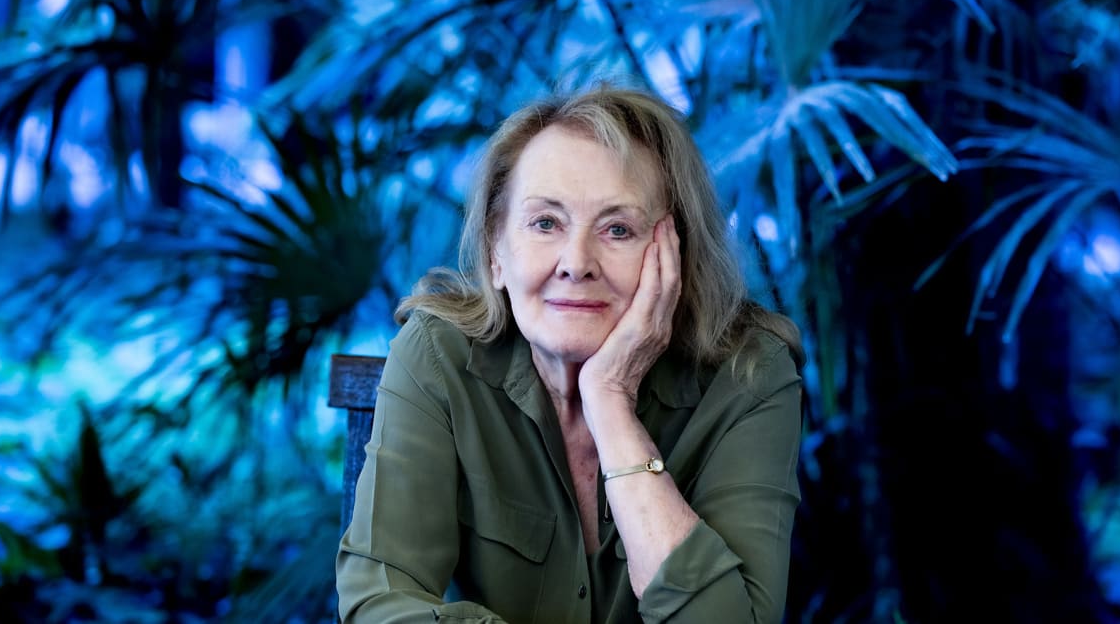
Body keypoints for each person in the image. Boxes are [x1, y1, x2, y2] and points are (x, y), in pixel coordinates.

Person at [336, 86, 804, 623]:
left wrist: (609, 403)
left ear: (676, 255)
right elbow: (378, 603)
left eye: (618, 229)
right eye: (545, 223)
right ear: (495, 253)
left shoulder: (749, 375)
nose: (576, 262)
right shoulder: (439, 355)